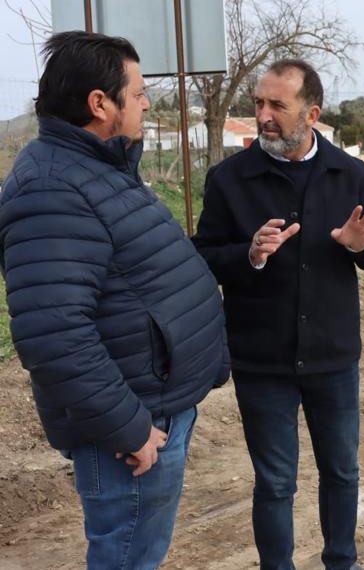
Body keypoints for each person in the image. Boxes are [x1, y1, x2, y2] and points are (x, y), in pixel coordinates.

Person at [0, 31, 230, 568]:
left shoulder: (101, 168)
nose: (148, 103)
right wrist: (128, 428)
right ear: (100, 103)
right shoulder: (52, 187)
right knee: (127, 557)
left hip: (152, 411)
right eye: (139, 91)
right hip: (130, 433)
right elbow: (54, 336)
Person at [192, 59, 364, 570]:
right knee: (276, 481)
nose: (263, 115)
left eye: (277, 105)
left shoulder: (349, 174)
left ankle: (340, 562)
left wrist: (357, 247)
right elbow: (203, 256)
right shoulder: (229, 180)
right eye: (259, 103)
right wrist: (249, 254)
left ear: (312, 112)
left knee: (342, 472)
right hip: (262, 361)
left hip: (332, 355)